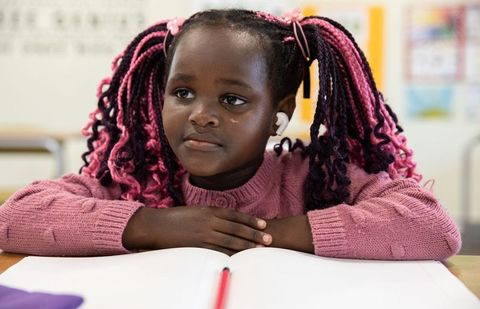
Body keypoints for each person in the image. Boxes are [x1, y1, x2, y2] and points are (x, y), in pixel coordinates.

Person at [0, 9, 460, 259]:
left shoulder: (316, 180)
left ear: (277, 112)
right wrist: (157, 224)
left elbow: (433, 227)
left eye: (233, 100)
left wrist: (271, 235)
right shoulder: (139, 183)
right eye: (182, 93)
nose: (201, 115)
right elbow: (14, 218)